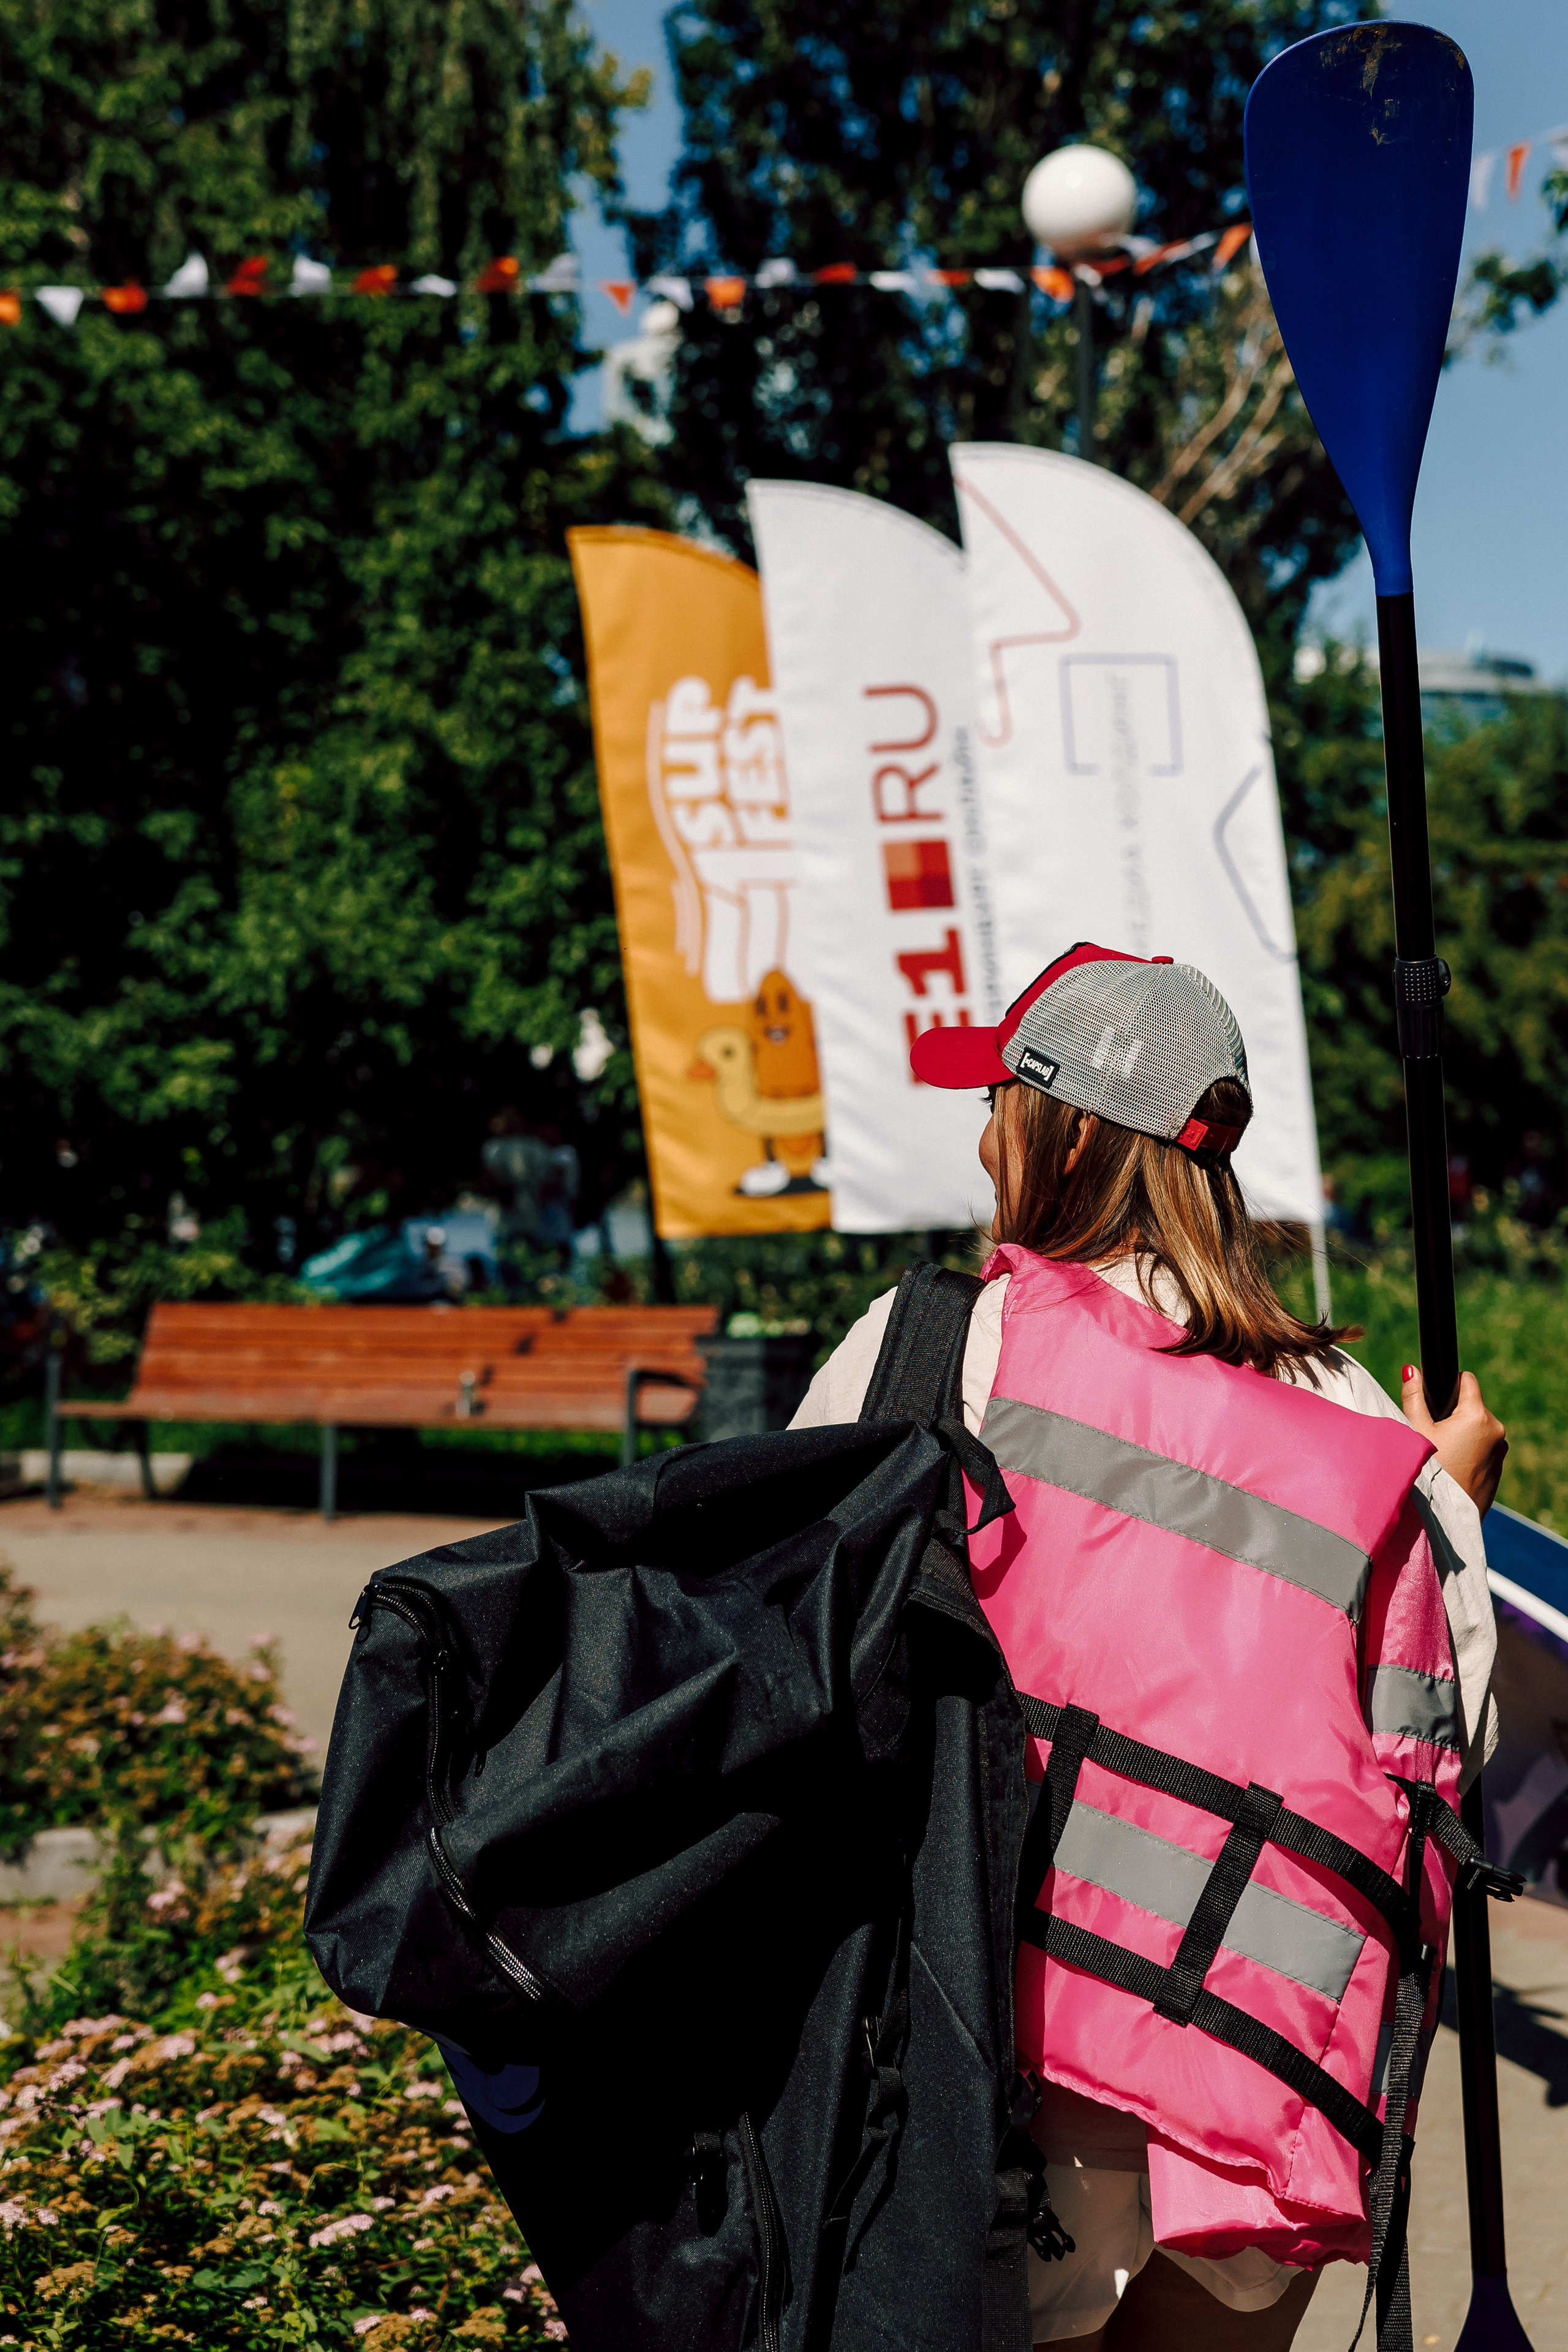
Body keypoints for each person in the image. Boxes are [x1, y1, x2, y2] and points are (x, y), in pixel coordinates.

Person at [793, 942, 1506, 2352]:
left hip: (982, 2045)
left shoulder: (932, 1346)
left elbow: (791, 1657)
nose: (982, 1127)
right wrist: (1449, 1513)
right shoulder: (1349, 1407)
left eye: (997, 1094)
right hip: (1250, 2089)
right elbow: (1438, 1743)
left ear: (1052, 1126)